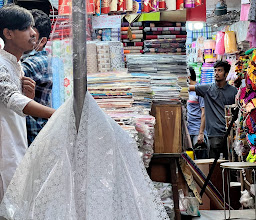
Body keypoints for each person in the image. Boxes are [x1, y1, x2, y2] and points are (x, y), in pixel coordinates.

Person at [0, 4, 55, 201]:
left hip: (16, 142)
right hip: (5, 147)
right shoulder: (2, 65)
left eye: (32, 27)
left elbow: (16, 107)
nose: (33, 33)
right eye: (25, 28)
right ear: (8, 33)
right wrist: (56, 114)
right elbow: (12, 99)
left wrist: (28, 98)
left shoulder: (17, 65)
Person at [189, 61, 237, 159]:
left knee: (230, 161)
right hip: (214, 133)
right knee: (213, 165)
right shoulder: (207, 88)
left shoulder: (234, 91)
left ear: (226, 74)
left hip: (230, 133)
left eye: (219, 70)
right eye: (215, 70)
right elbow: (190, 88)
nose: (216, 73)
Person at [22, 9, 52, 146]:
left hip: (33, 137)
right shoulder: (42, 59)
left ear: (42, 41)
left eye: (32, 34)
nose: (27, 36)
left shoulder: (36, 62)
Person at [187, 66, 207, 158]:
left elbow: (204, 113)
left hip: (197, 131)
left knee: (200, 159)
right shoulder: (186, 91)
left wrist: (201, 133)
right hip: (188, 130)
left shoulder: (199, 90)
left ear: (188, 77)